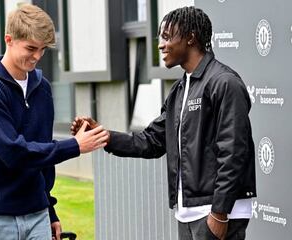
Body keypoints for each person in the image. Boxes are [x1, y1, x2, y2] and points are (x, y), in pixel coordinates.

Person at [71, 6, 256, 240]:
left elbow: (234, 152)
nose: (160, 45)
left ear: (191, 37)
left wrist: (220, 212)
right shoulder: (180, 90)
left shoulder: (224, 83)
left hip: (217, 212)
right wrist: (103, 135)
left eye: (167, 37)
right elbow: (151, 141)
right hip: (188, 212)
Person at [0, 3, 108, 240]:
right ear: (9, 39)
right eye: (31, 48)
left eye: (43, 49)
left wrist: (49, 210)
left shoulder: (42, 88)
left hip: (37, 215)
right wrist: (75, 146)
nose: (37, 56)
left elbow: (41, 154)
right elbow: (13, 152)